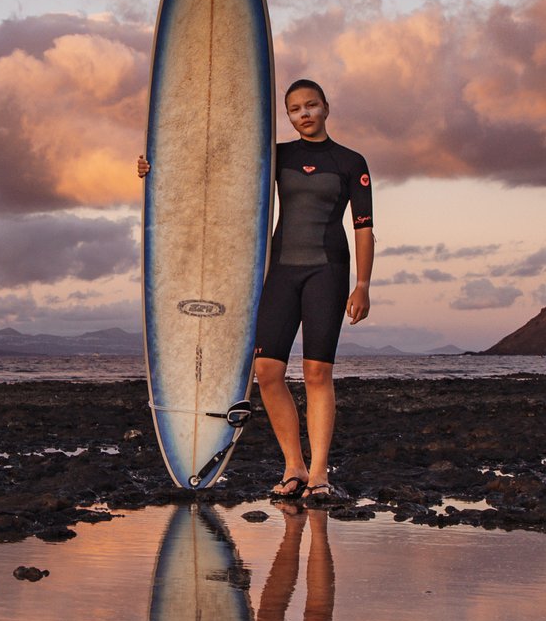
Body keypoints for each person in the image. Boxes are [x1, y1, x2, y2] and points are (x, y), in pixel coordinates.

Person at [138, 76, 373, 502]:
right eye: (294, 109)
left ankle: (319, 472)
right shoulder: (277, 156)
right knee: (267, 372)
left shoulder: (350, 161)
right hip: (281, 272)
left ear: (326, 107)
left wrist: (362, 284)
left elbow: (364, 229)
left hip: (328, 271)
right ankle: (293, 466)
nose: (303, 114)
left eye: (311, 106)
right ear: (287, 115)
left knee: (317, 373)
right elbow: (216, 175)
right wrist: (158, 168)